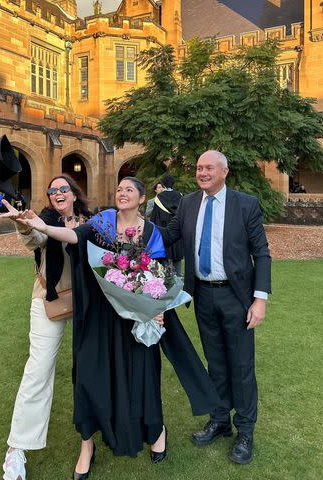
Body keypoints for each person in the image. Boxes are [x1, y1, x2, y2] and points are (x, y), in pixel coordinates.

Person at [20, 177, 220, 478]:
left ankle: (156, 431)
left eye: (129, 190)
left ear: (142, 198)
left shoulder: (151, 232)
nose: (121, 193)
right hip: (101, 314)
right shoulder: (103, 222)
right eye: (118, 189)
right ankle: (87, 444)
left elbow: (159, 277)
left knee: (142, 374)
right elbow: (75, 237)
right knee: (90, 374)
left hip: (137, 318)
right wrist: (44, 227)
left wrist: (156, 310)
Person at [159, 151, 271, 465]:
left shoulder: (245, 204)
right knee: (215, 362)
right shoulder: (188, 203)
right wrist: (134, 227)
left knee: (241, 365)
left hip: (236, 297)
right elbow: (169, 237)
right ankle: (220, 420)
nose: (202, 172)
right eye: (199, 168)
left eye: (209, 167)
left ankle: (245, 431)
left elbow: (261, 253)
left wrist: (259, 299)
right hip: (203, 296)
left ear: (224, 171)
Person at [0, 174, 90, 480]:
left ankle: (91, 437)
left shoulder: (89, 220)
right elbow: (35, 239)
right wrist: (24, 223)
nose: (58, 193)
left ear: (75, 194)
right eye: (53, 191)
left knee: (90, 368)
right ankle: (17, 448)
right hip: (49, 298)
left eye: (64, 188)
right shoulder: (44, 219)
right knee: (38, 370)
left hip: (86, 302)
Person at [150, 175, 184, 275]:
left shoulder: (159, 198)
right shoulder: (180, 196)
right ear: (173, 183)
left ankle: (168, 283)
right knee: (177, 262)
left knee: (165, 263)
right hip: (178, 234)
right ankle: (179, 284)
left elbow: (154, 219)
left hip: (164, 234)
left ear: (163, 184)